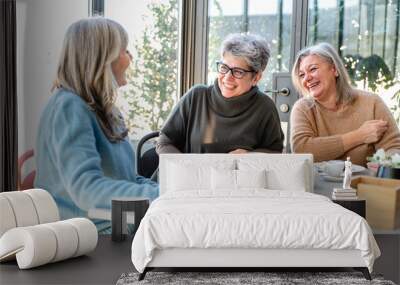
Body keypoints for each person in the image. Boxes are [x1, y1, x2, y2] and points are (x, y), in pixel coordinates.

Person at [35, 17, 159, 233]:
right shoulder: (68, 107)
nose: (130, 57)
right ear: (103, 58)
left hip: (119, 228)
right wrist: (159, 196)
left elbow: (126, 179)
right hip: (88, 239)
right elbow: (87, 190)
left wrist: (167, 192)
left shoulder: (104, 111)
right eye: (124, 50)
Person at [156, 33, 284, 154]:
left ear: (256, 78)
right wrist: (185, 168)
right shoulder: (197, 96)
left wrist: (251, 156)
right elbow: (165, 140)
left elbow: (274, 152)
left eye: (238, 71)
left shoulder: (265, 107)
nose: (227, 77)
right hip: (187, 176)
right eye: (224, 68)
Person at [290, 42, 400, 166]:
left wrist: (384, 164)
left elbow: (394, 148)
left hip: (361, 183)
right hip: (314, 184)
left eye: (313, 69)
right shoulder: (302, 108)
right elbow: (301, 149)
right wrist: (359, 135)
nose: (306, 78)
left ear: (335, 70)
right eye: (301, 75)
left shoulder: (371, 103)